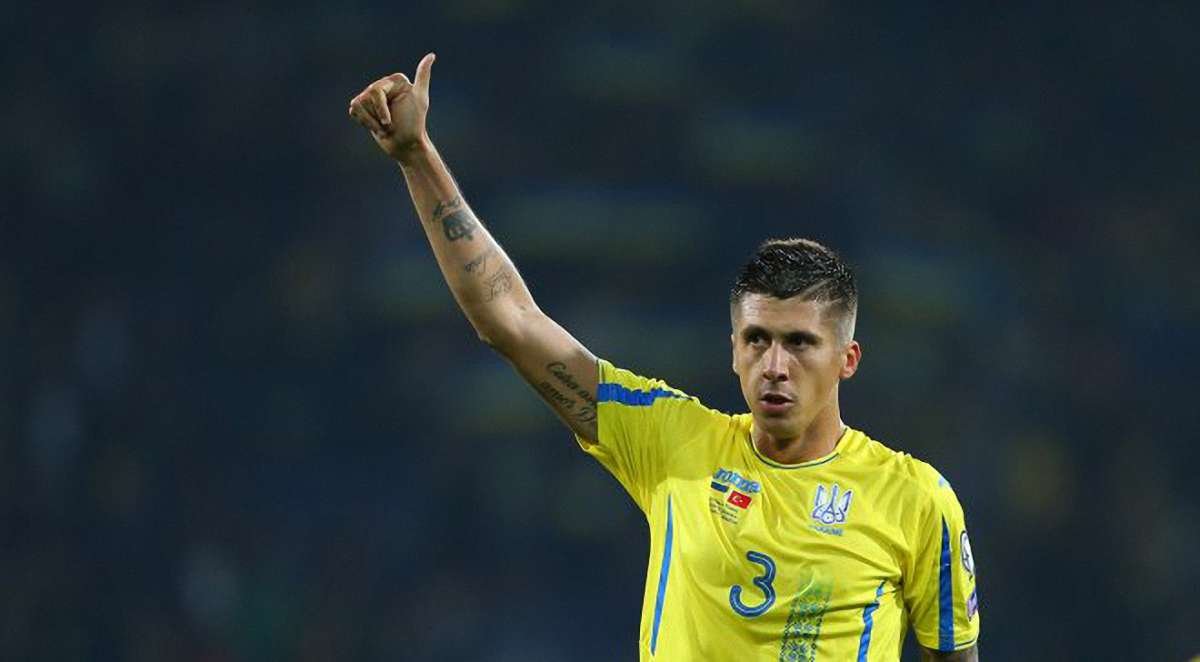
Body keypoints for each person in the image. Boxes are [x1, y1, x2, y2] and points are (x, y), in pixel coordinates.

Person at [347, 54, 981, 661]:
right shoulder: (673, 441)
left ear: (848, 359)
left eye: (800, 343)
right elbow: (509, 320)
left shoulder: (916, 500)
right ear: (733, 350)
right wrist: (417, 156)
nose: (774, 365)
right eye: (756, 340)